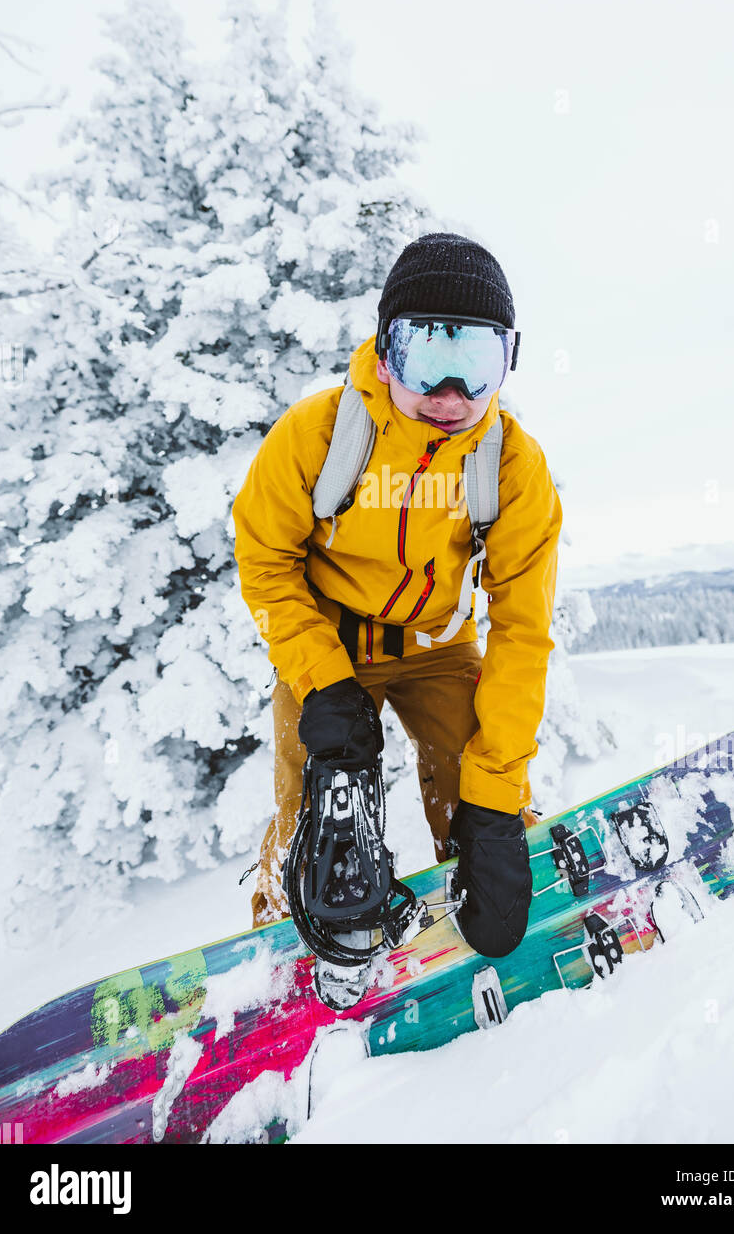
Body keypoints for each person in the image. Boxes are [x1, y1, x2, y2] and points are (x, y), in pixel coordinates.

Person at [232, 232, 562, 959]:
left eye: (477, 365)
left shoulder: (509, 464)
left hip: (437, 646)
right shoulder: (319, 435)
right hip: (331, 644)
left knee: (475, 780)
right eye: (427, 359)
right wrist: (322, 682)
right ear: (385, 354)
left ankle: (485, 878)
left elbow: (522, 627)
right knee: (314, 801)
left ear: (509, 361)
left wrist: (497, 802)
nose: (452, 396)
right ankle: (285, 924)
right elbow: (265, 560)